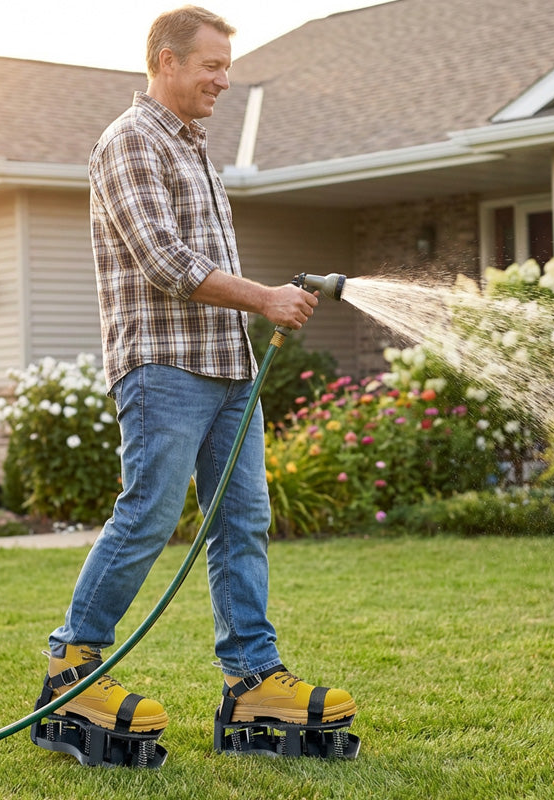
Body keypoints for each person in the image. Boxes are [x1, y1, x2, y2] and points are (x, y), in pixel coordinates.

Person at [38, 5, 356, 742]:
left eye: (226, 66)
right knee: (147, 514)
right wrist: (265, 297)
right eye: (211, 65)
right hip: (162, 367)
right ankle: (71, 669)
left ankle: (252, 680)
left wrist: (258, 311)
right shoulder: (130, 143)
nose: (224, 79)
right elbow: (163, 262)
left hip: (227, 368)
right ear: (166, 61)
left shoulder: (197, 149)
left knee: (243, 521)